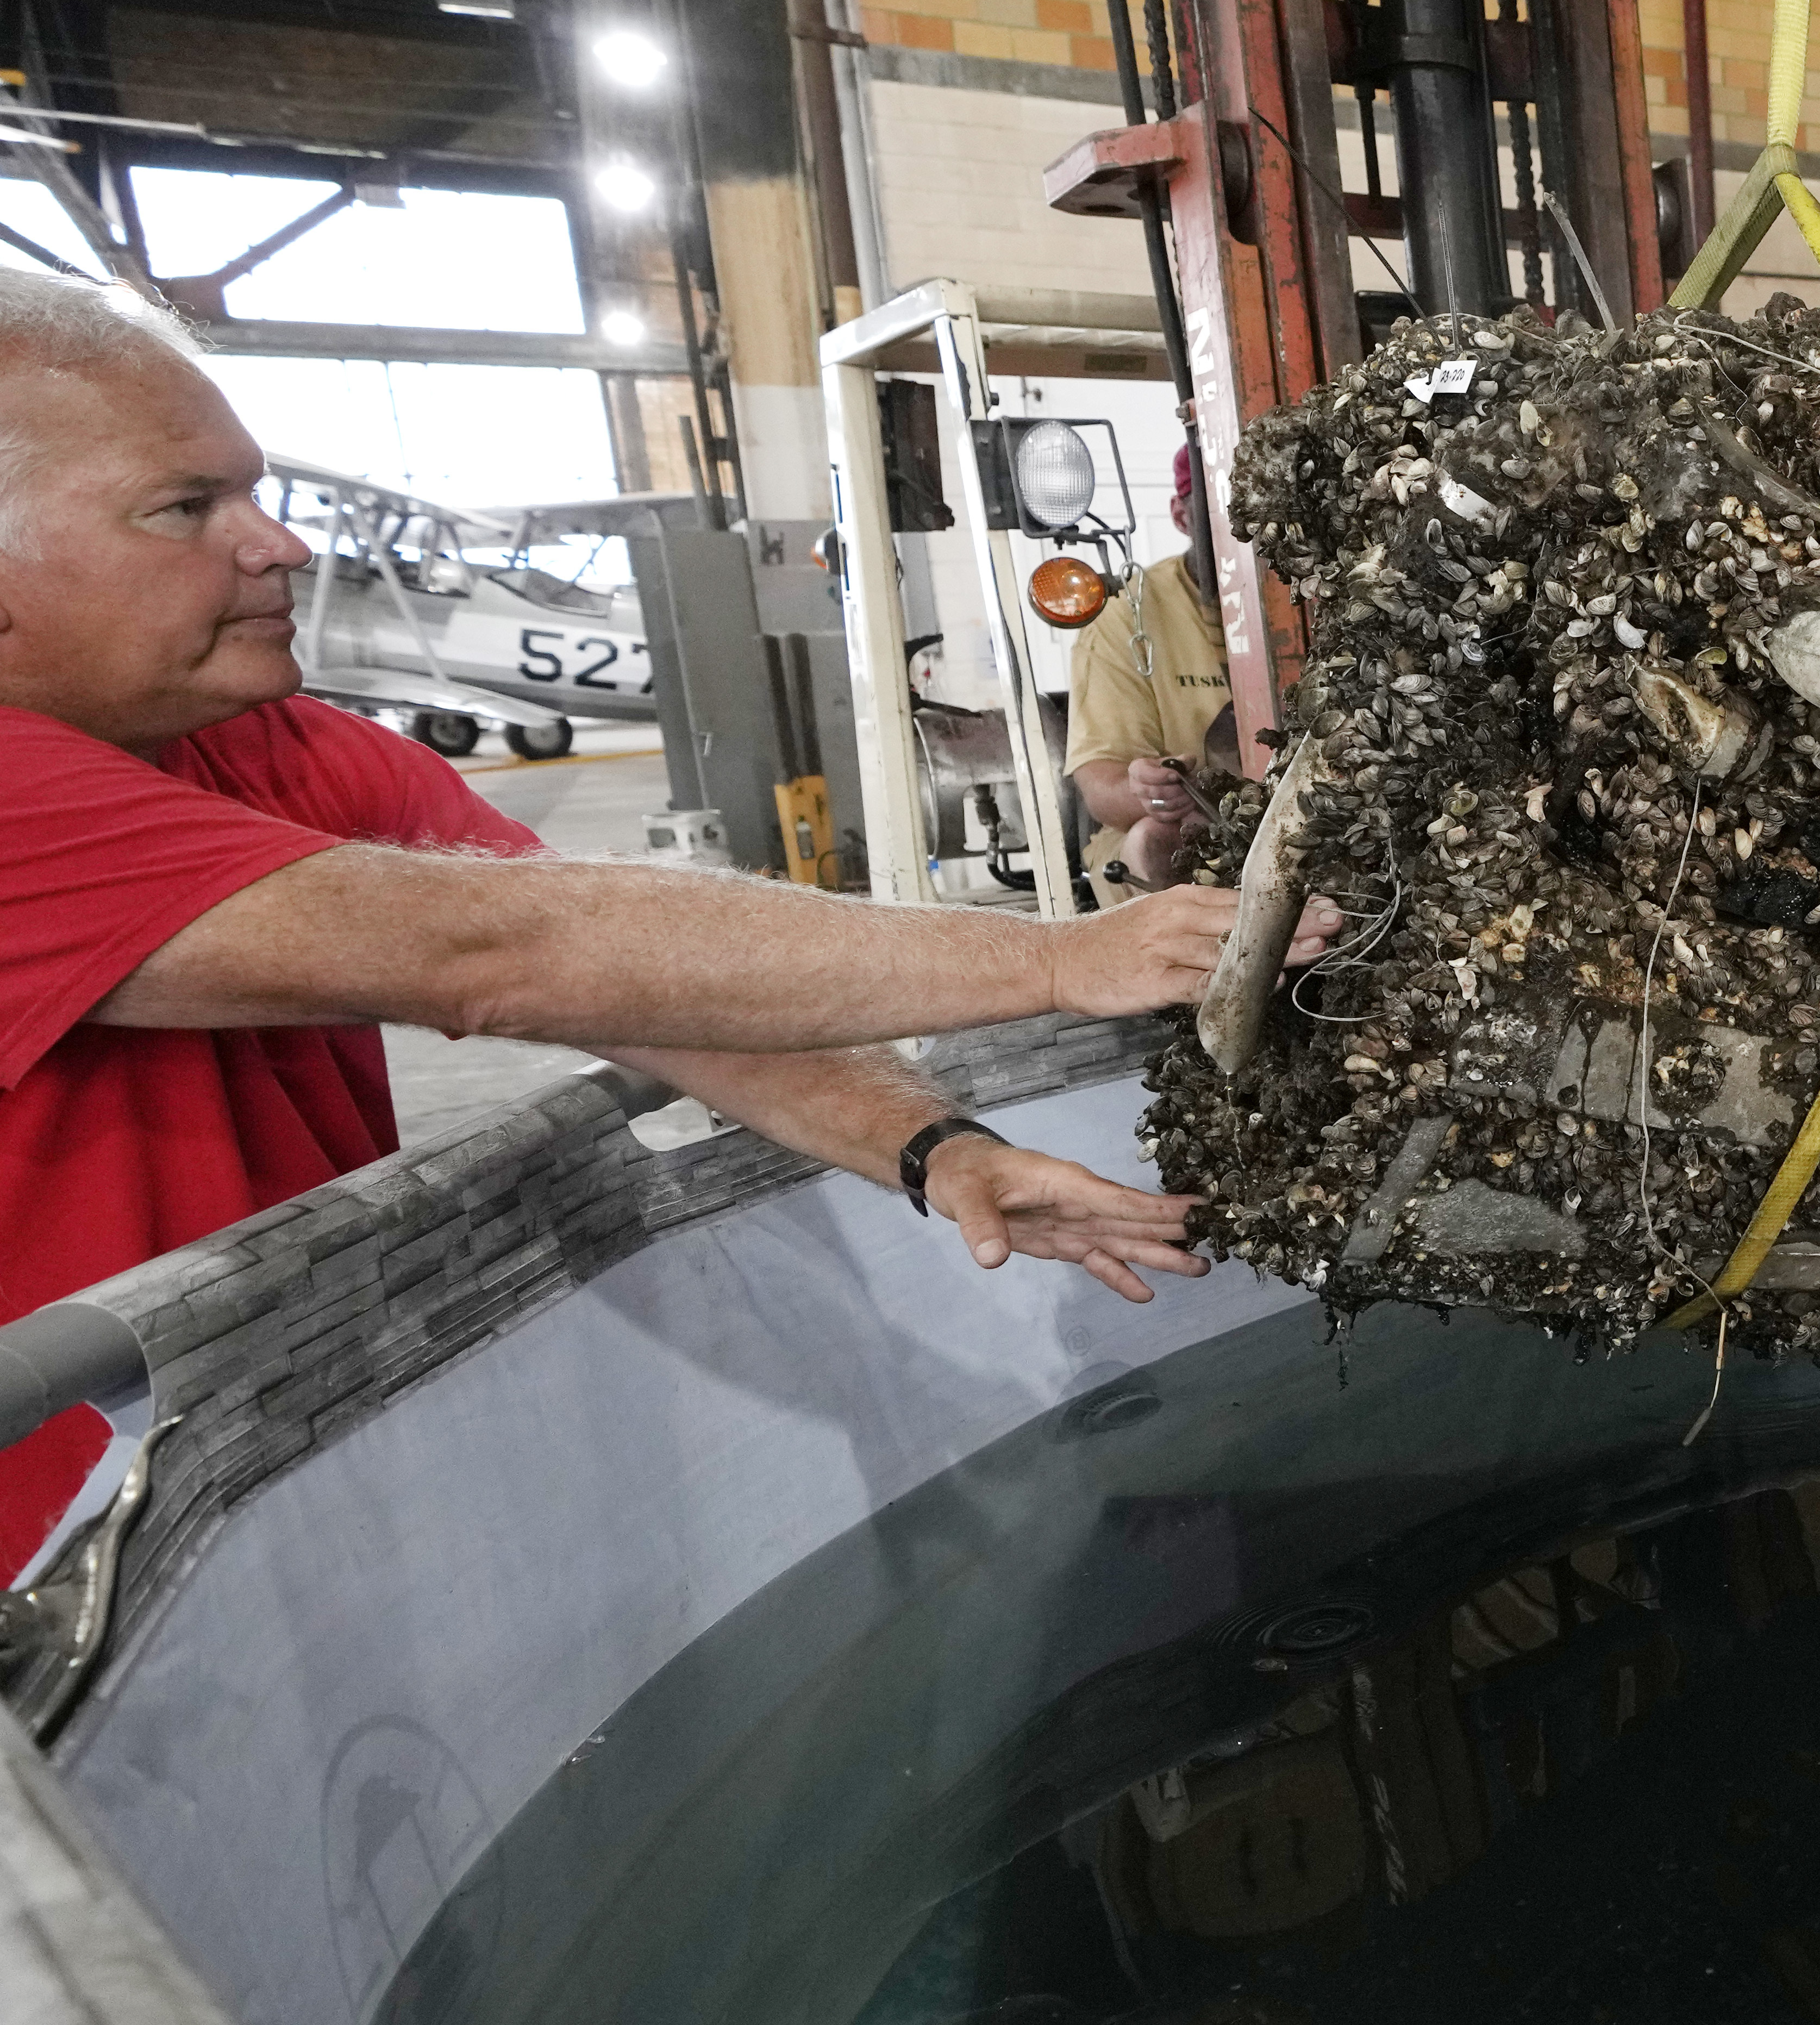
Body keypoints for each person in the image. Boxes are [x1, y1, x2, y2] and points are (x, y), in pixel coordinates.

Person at [0, 277, 1335, 1566]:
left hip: (230, 1491)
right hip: (50, 1582)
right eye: (182, 508)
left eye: (255, 488)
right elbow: (502, 955)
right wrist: (1054, 957)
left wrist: (933, 1146)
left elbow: (632, 978)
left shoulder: (277, 748)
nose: (279, 542)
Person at [1066, 445, 1237, 892]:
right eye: (1222, 521)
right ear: (1182, 517)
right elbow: (1101, 786)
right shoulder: (1127, 615)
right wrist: (1150, 793)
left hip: (1301, 816)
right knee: (1155, 840)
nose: (1243, 539)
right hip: (1187, 827)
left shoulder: (1317, 596)